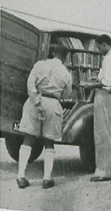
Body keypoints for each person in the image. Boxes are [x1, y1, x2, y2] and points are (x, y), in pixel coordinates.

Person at [16, 44, 72, 189]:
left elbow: (30, 84)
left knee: (28, 138)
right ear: (66, 57)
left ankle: (21, 176)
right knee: (49, 141)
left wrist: (36, 102)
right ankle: (47, 179)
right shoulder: (66, 73)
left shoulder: (40, 64)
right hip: (53, 104)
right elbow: (67, 95)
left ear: (53, 52)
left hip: (35, 102)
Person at [89, 34, 111, 182]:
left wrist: (94, 84)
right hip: (107, 96)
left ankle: (105, 170)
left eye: (99, 46)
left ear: (104, 44)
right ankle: (103, 168)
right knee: (104, 133)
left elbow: (108, 82)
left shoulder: (110, 59)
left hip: (106, 96)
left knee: (105, 134)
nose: (98, 49)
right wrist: (97, 80)